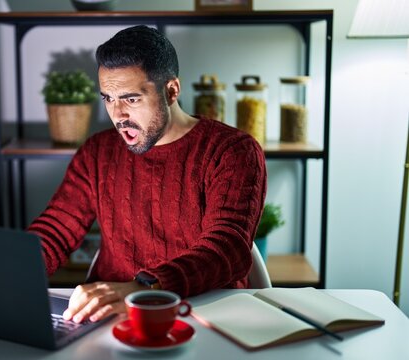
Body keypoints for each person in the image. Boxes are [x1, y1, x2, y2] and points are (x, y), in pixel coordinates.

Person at [28, 25, 266, 324]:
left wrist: (144, 290)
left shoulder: (232, 151)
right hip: (111, 317)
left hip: (206, 313)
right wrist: (13, 272)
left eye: (131, 99)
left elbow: (226, 248)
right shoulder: (97, 152)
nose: (117, 115)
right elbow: (56, 229)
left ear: (171, 91)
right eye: (108, 98)